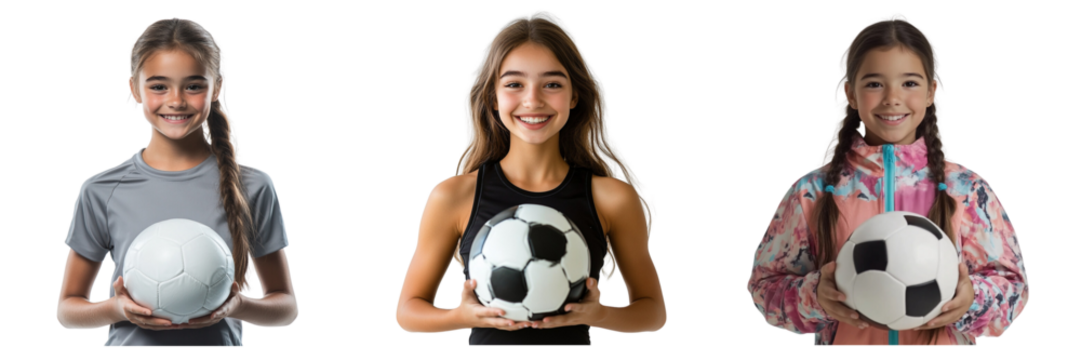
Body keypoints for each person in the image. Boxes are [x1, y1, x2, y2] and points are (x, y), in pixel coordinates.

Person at [744, 13, 1031, 347]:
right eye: (874, 83)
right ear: (850, 94)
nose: (892, 98)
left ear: (931, 92)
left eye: (909, 83)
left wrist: (971, 300)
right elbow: (763, 289)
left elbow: (1016, 290)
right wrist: (815, 296)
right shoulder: (811, 192)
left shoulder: (968, 191)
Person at [394, 11, 662, 347]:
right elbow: (407, 312)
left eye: (552, 84)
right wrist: (459, 316)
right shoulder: (453, 196)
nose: (532, 100)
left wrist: (600, 315)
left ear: (574, 96)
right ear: (493, 96)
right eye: (514, 84)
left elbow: (653, 312)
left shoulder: (610, 198)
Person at [56, 17, 293, 348]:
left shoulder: (253, 186)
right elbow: (67, 310)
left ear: (217, 88)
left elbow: (285, 307)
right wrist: (117, 308)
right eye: (158, 86)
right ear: (134, 89)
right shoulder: (101, 190)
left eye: (193, 85)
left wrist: (239, 306)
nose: (177, 100)